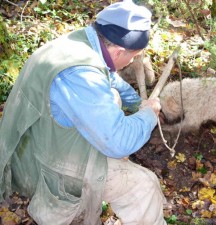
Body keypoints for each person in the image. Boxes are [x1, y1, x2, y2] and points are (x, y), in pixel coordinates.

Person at [0, 0, 167, 224]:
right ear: (118, 52)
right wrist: (149, 113)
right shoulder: (80, 75)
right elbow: (119, 142)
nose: (132, 62)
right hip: (45, 167)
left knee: (114, 97)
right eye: (134, 56)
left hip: (33, 142)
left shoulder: (79, 44)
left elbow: (109, 78)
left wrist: (136, 103)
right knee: (145, 186)